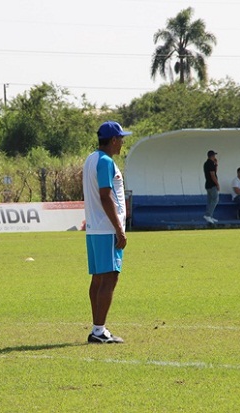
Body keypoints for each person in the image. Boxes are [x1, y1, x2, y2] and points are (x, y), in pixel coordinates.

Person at [82, 120, 130, 344]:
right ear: (113, 140)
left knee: (99, 278)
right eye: (120, 139)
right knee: (110, 277)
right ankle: (99, 331)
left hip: (94, 229)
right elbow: (105, 195)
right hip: (107, 228)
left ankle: (97, 328)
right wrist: (119, 229)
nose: (122, 143)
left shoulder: (91, 159)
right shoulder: (105, 161)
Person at [203, 150, 220, 224]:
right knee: (215, 199)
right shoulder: (210, 163)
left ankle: (210, 216)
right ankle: (208, 215)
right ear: (212, 156)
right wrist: (217, 184)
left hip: (208, 184)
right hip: (212, 184)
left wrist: (216, 165)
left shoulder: (206, 163)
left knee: (210, 201)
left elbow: (214, 172)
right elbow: (213, 175)